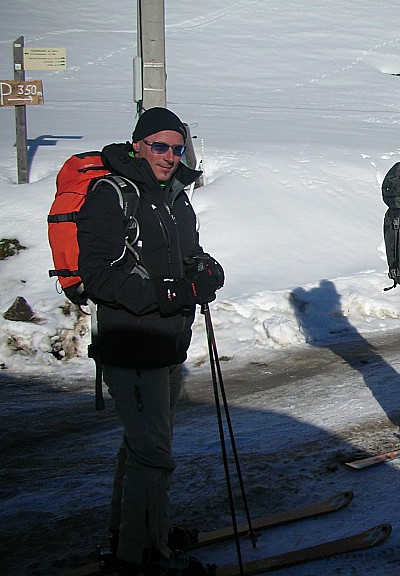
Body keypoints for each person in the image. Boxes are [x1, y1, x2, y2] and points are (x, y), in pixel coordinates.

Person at [77, 107, 223, 576]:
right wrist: (170, 293)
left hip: (167, 342)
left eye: (177, 148)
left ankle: (136, 536)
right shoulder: (112, 194)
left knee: (141, 448)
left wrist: (204, 269)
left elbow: (186, 254)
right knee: (154, 454)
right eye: (160, 146)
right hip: (132, 344)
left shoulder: (173, 196)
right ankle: (141, 557)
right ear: (138, 144)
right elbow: (98, 276)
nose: (169, 156)